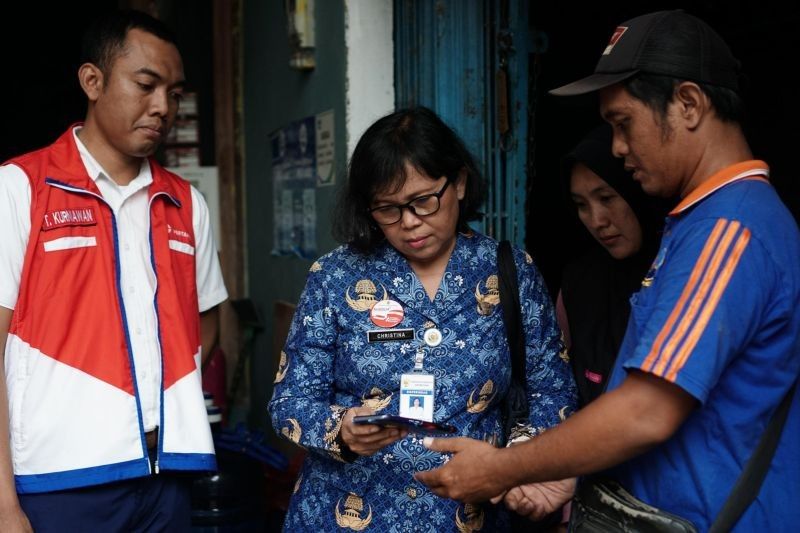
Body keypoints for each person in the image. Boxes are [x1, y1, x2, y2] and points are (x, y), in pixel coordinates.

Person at [416, 10, 800, 531]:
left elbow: (646, 412)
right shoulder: (700, 221)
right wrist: (568, 471)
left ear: (688, 104)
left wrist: (499, 468)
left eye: (624, 123)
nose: (618, 147)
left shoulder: (731, 228)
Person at [269, 106, 577, 531]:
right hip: (346, 514)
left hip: (467, 516)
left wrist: (517, 461)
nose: (410, 222)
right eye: (388, 209)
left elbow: (553, 392)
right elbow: (290, 402)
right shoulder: (336, 276)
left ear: (460, 182)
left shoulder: (509, 271)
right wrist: (340, 429)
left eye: (423, 201)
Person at [0, 10, 227, 532]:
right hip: (58, 481)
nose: (162, 107)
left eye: (174, 93)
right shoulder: (22, 188)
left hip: (165, 473)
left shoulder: (185, 202)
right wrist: (5, 504)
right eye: (146, 85)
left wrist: (163, 400)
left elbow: (206, 321)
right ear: (93, 81)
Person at [558, 124, 666, 405]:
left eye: (607, 198)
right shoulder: (578, 281)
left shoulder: (677, 270)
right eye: (581, 204)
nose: (597, 220)